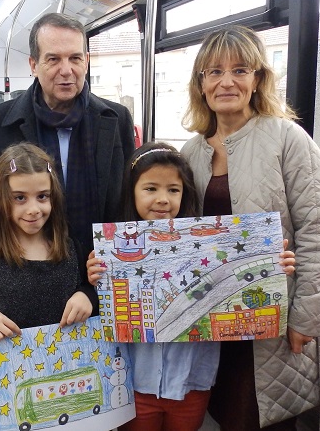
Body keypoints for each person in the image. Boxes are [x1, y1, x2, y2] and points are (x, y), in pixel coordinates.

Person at [179, 25, 320, 431]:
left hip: (275, 314)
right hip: (214, 317)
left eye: (240, 70)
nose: (226, 81)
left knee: (263, 417)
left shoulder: (287, 138)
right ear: (201, 84)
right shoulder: (191, 151)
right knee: (224, 413)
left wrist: (306, 315)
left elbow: (315, 231)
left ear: (257, 79)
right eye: (213, 72)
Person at [86, 142, 296, 431]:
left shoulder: (208, 242)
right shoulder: (115, 249)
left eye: (173, 189)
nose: (163, 199)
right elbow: (105, 311)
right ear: (131, 191)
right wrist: (96, 277)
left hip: (192, 382)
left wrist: (271, 265)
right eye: (150, 189)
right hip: (135, 382)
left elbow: (245, 285)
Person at [0, 12, 135, 254]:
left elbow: (127, 198)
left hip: (99, 264)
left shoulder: (116, 119)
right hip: (30, 268)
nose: (66, 70)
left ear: (86, 61)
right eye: (54, 59)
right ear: (34, 65)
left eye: (75, 58)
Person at [0, 142, 98, 344]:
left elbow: (96, 291)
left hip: (72, 370)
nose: (33, 208)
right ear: (1, 200)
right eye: (19, 198)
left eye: (42, 196)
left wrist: (87, 295)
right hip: (13, 372)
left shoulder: (73, 252)